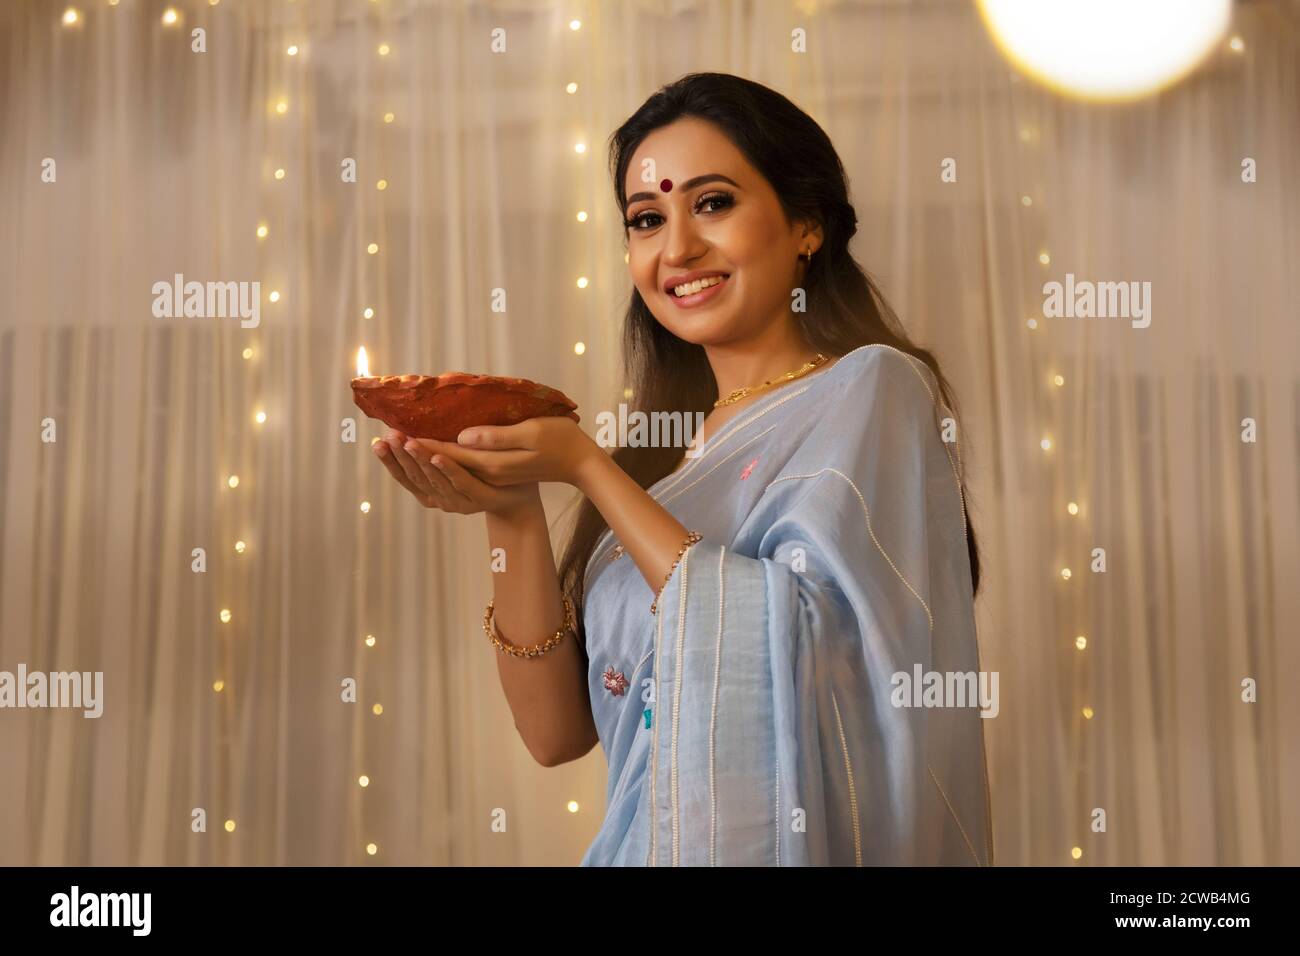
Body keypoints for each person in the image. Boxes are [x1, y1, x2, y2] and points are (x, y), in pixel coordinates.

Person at [371, 72, 993, 866]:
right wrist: (515, 508)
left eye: (712, 203)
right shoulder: (664, 460)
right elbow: (556, 734)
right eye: (645, 219)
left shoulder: (874, 390)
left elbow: (814, 656)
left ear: (807, 223)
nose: (677, 249)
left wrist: (587, 468)